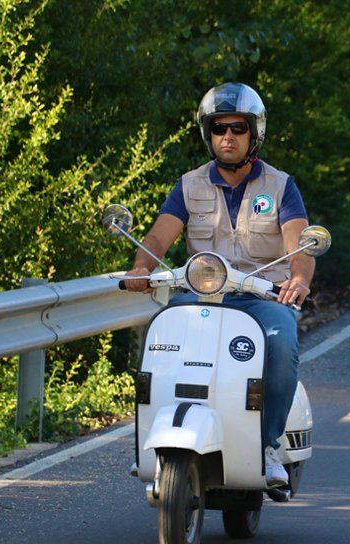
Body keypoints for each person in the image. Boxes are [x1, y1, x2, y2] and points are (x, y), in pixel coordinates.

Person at [124, 82, 314, 488]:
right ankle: (158, 440)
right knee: (160, 342)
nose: (227, 136)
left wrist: (298, 278)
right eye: (218, 128)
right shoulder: (189, 185)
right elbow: (159, 238)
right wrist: (142, 266)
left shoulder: (280, 186)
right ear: (208, 134)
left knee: (281, 344)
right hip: (200, 293)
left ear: (254, 134)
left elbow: (299, 244)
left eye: (237, 128)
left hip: (261, 297)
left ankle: (266, 445)